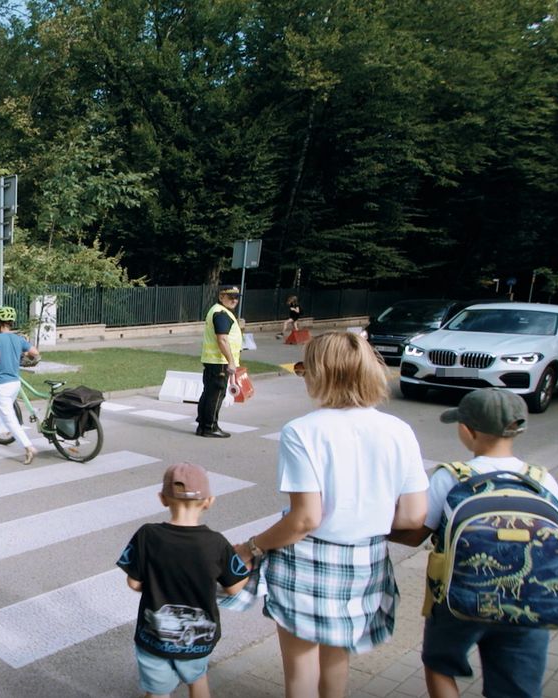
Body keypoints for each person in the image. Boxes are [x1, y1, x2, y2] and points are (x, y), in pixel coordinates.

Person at [233, 331, 429, 698]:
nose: (303, 375)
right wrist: (363, 517)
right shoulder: (399, 431)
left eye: (304, 367)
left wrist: (250, 548)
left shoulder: (303, 431)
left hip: (308, 560)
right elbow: (414, 517)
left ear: (322, 373)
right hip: (364, 562)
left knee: (300, 674)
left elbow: (305, 519)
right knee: (337, 666)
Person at [389, 388, 558, 698]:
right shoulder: (541, 480)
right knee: (517, 686)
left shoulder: (451, 477)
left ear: (467, 430)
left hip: (458, 600)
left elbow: (414, 533)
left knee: (439, 664)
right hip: (530, 604)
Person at [117, 462, 249, 698]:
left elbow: (133, 583)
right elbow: (235, 587)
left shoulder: (147, 535)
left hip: (153, 637)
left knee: (156, 692)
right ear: (209, 501)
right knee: (198, 681)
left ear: (162, 499)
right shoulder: (217, 543)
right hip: (197, 645)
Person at [0, 306, 40, 464]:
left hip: (2, 383)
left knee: (8, 418)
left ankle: (28, 447)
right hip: (15, 382)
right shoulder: (18, 338)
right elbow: (35, 352)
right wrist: (23, 353)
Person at [196, 285, 242, 438]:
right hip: (220, 361)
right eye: (230, 297)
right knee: (216, 394)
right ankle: (210, 427)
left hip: (213, 360)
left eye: (236, 297)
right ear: (221, 296)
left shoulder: (217, 310)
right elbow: (222, 339)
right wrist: (231, 361)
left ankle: (203, 425)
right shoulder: (221, 313)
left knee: (208, 392)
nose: (234, 300)